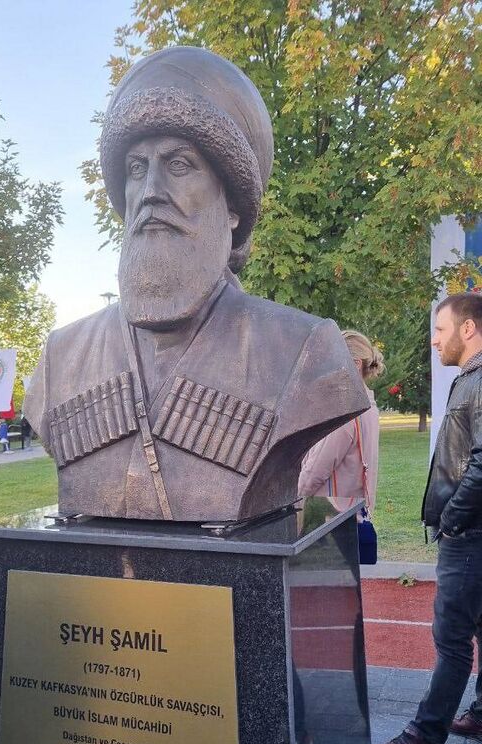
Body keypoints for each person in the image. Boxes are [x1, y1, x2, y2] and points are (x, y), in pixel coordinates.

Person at [24, 46, 368, 522]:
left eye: (180, 165)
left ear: (233, 208)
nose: (151, 191)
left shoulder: (305, 350)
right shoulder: (61, 358)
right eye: (136, 168)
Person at [373, 291, 482, 744]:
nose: (434, 341)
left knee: (452, 638)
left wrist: (453, 518)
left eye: (440, 330)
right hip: (472, 530)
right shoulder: (470, 379)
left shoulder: (479, 381)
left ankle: (425, 734)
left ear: (468, 329)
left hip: (469, 533)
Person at [298, 330, 384, 513]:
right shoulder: (369, 407)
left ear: (356, 364)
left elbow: (314, 474)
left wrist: (289, 496)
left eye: (332, 361)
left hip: (333, 518)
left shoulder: (347, 413)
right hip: (355, 514)